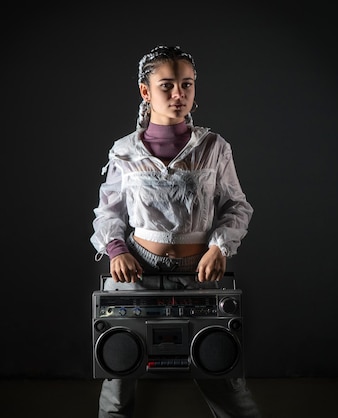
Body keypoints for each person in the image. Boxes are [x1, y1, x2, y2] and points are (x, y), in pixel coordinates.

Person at [90, 45, 261, 418]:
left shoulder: (214, 148)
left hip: (198, 272)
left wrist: (220, 248)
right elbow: (108, 213)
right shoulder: (124, 151)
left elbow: (237, 206)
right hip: (137, 272)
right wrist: (117, 250)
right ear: (145, 92)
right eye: (167, 85)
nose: (179, 94)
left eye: (187, 84)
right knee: (119, 371)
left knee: (221, 370)